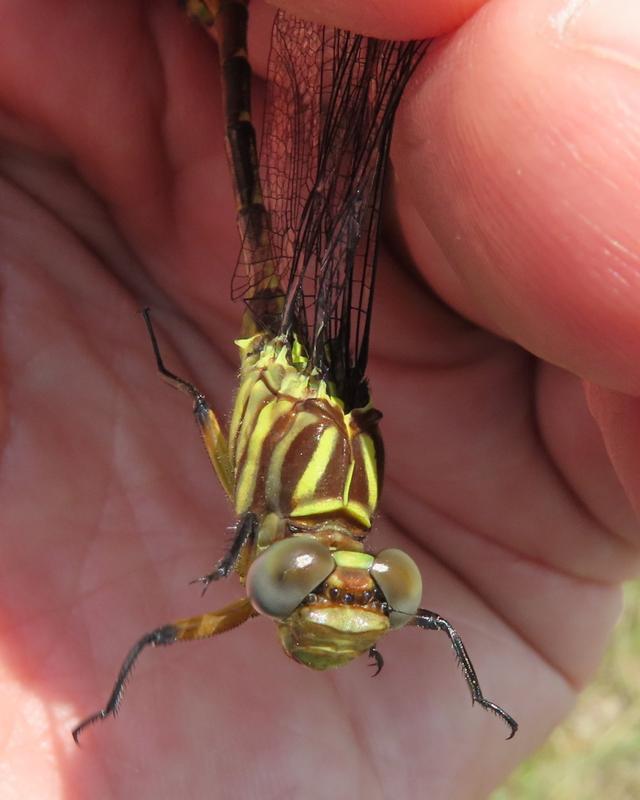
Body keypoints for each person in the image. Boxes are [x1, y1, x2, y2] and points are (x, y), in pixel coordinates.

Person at [1, 0, 637, 796]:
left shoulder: (282, 515)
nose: (348, 597)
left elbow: (203, 417)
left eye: (303, 579)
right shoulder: (290, 510)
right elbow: (200, 411)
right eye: (380, 594)